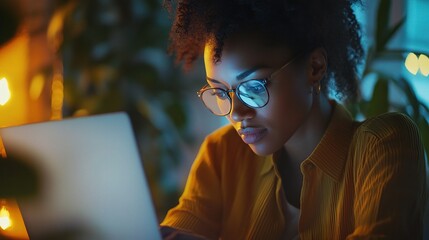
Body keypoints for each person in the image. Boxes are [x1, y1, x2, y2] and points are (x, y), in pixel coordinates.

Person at [160, 0, 428, 239]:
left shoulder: (383, 146)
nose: (235, 113)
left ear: (315, 67)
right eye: (220, 91)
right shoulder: (222, 154)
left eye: (253, 87)